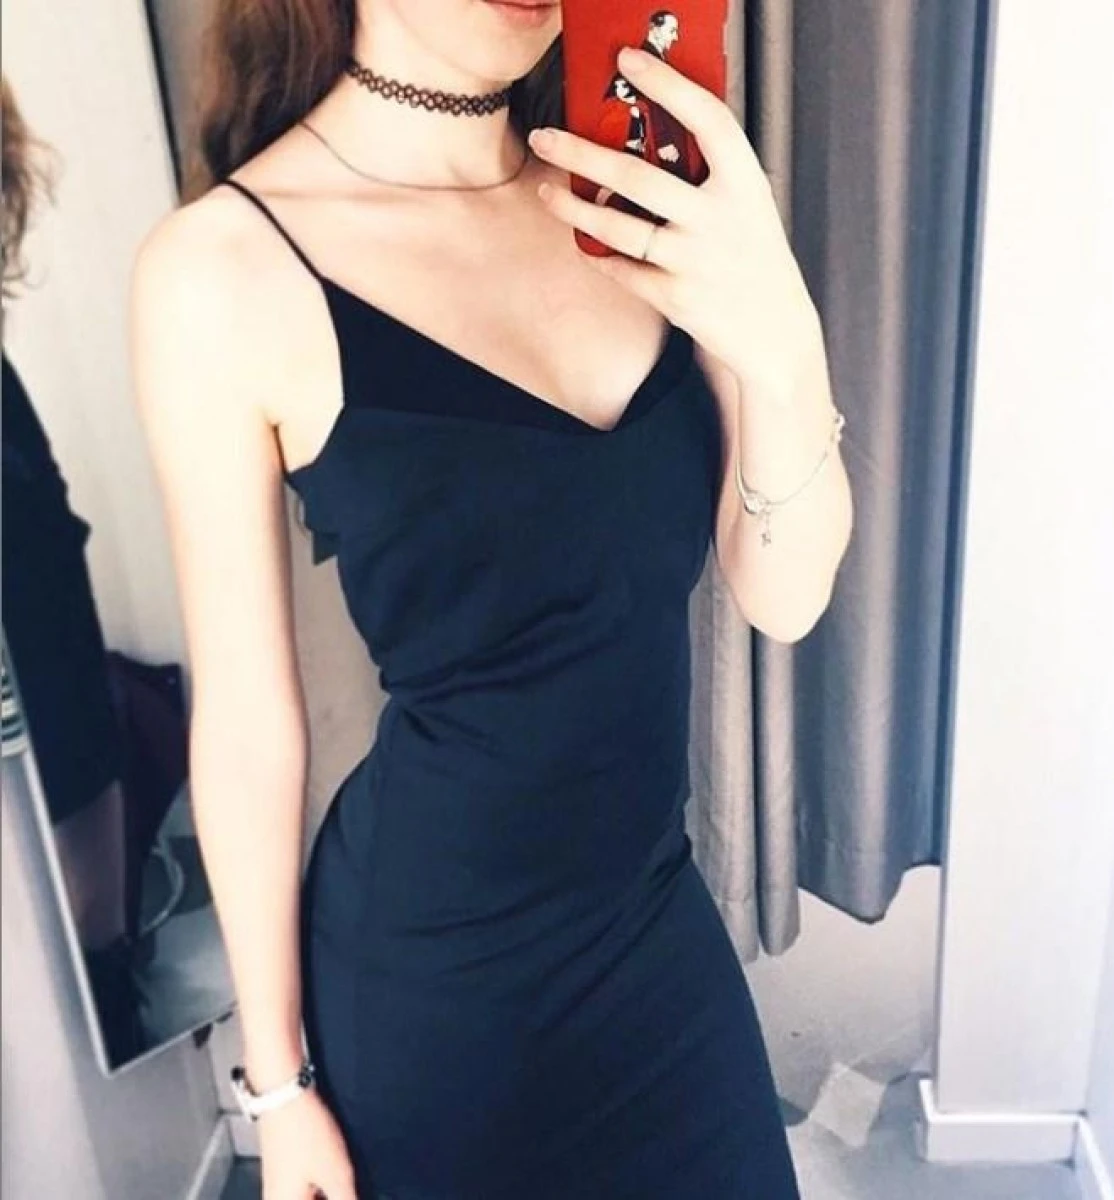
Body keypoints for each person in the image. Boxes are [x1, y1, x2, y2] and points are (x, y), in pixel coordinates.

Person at [131, 1, 851, 1196]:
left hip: (651, 926)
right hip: (433, 996)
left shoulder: (646, 201)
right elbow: (248, 724)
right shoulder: (220, 271)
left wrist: (783, 338)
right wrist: (280, 1085)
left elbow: (784, 597)